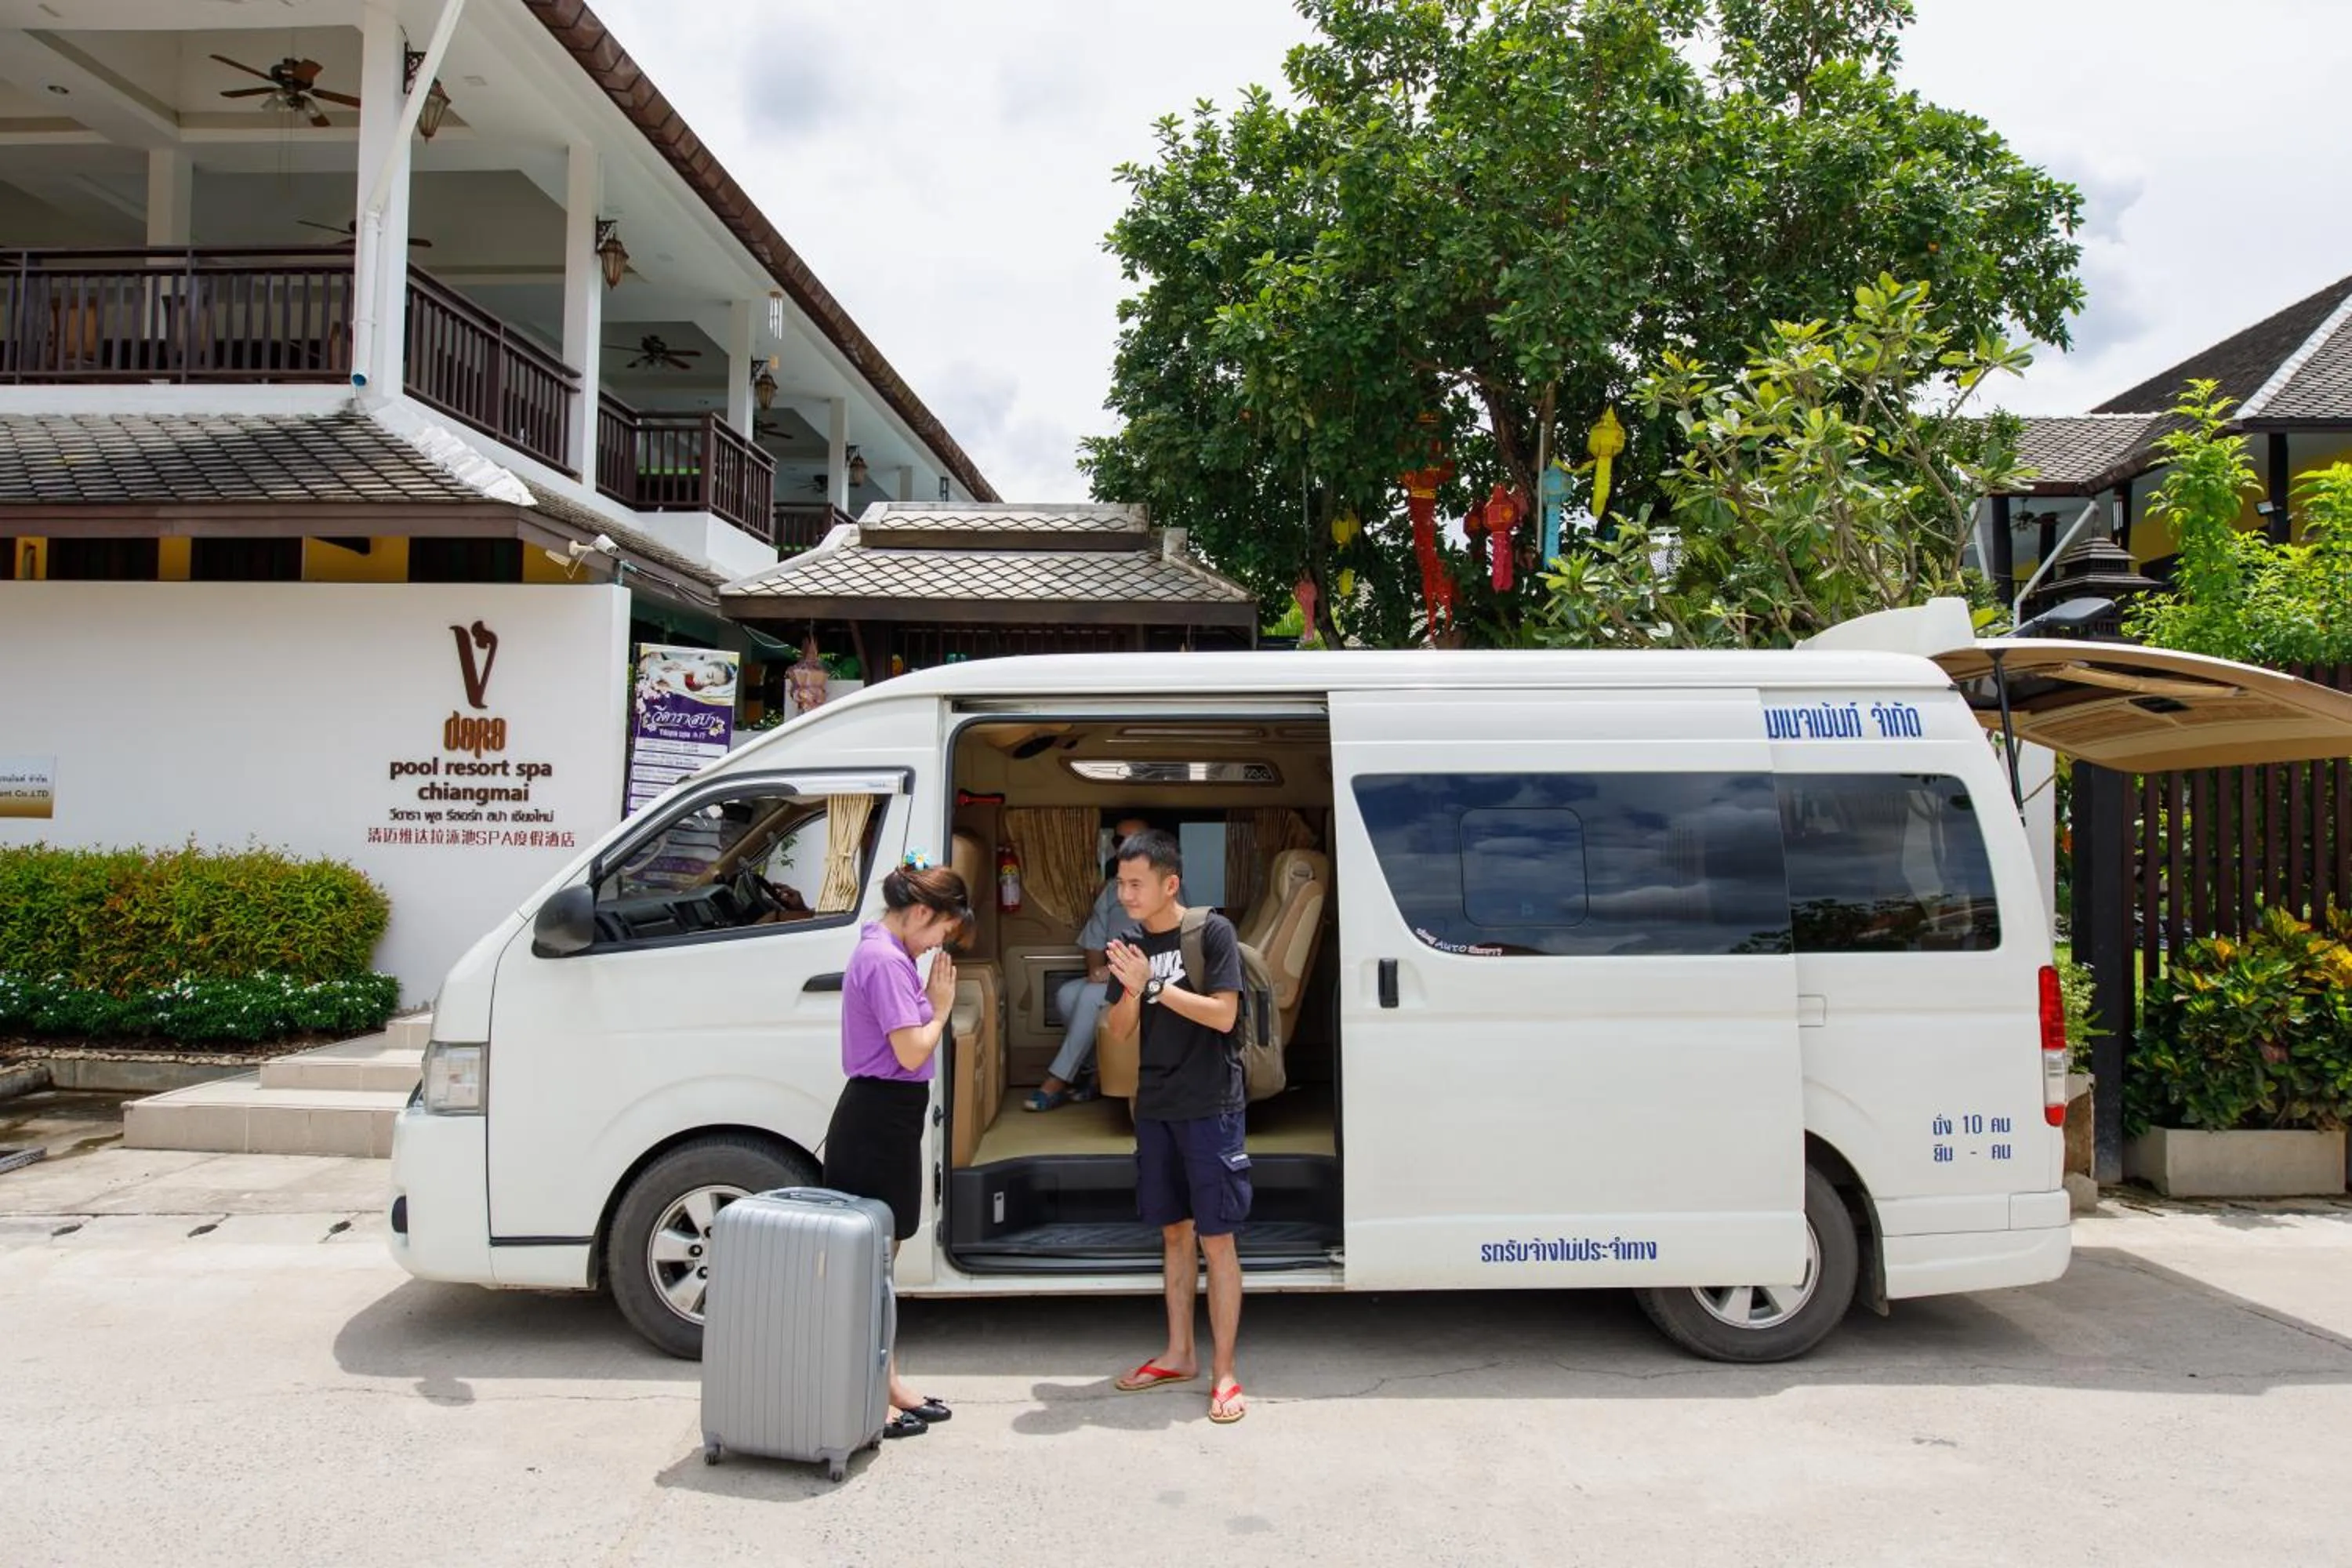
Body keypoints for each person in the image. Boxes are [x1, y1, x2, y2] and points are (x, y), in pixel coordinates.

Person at [1099, 829, 1250, 1425]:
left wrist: (1156, 985)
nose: (1126, 893)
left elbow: (1223, 1014)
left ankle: (1225, 1372)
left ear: (1170, 883)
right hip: (1157, 1103)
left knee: (1218, 1239)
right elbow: (1117, 1030)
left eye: (1136, 883)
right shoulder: (1129, 943)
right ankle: (1180, 1354)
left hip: (1211, 1103)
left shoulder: (1212, 932)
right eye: (1121, 883)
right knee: (1173, 1234)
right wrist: (1133, 991)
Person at [820, 857, 971, 1439]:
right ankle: (870, 1396)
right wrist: (939, 1008)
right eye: (941, 932)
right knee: (869, 1267)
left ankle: (889, 1383)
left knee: (880, 1264)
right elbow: (911, 1052)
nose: (939, 944)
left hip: (889, 1117)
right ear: (922, 913)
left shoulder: (892, 952)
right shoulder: (885, 960)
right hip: (877, 1119)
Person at [1025, 813, 1152, 1112]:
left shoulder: (1166, 886)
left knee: (1091, 997)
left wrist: (1117, 970)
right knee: (1068, 994)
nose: (1126, 847)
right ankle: (1097, 1075)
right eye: (1121, 841)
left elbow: (1169, 943)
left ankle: (1056, 1080)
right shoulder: (1112, 889)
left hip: (1150, 978)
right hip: (1114, 975)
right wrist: (1096, 969)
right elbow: (1094, 938)